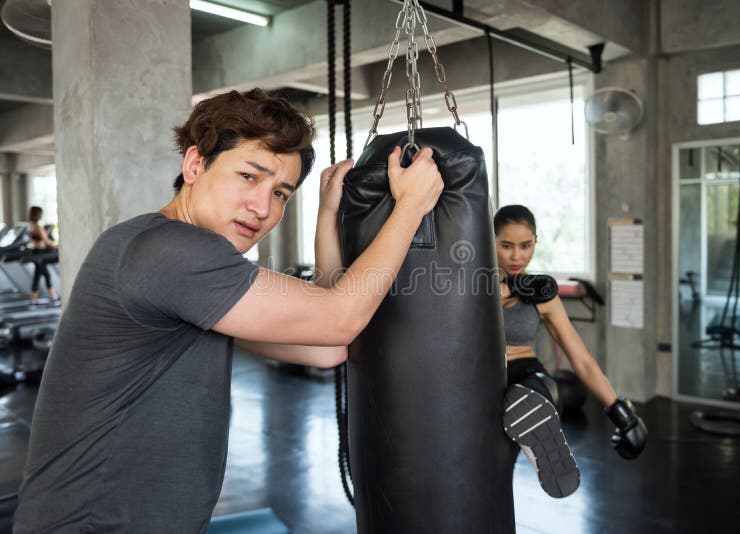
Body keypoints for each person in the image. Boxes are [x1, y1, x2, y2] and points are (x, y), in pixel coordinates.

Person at [14, 88, 443, 533]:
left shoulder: (182, 273)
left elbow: (326, 347)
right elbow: (339, 320)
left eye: (281, 193)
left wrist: (327, 215)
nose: (262, 208)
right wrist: (412, 206)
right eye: (248, 176)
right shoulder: (169, 252)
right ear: (195, 164)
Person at [496, 205, 648, 499]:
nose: (517, 256)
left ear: (536, 243)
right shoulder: (473, 283)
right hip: (483, 380)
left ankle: (537, 428)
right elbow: (481, 292)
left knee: (538, 390)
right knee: (495, 472)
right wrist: (516, 285)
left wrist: (622, 413)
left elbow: (582, 359)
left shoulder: (543, 297)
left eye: (526, 246)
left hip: (523, 374)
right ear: (490, 242)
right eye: (506, 246)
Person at [27, 205, 59, 302]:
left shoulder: (30, 226)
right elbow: (46, 241)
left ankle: (34, 299)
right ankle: (53, 297)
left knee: (40, 274)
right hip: (42, 254)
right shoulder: (38, 227)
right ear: (38, 214)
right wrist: (56, 246)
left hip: (36, 252)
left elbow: (33, 241)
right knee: (42, 275)